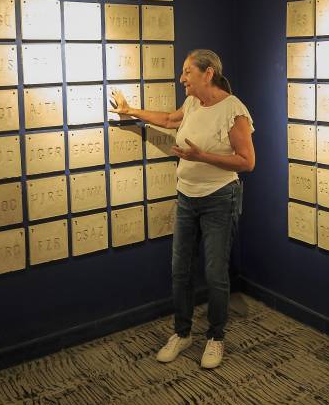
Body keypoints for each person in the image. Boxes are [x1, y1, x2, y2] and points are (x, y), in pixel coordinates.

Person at [109, 49, 255, 369]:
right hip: (186, 198)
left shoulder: (234, 110)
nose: (181, 78)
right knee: (180, 270)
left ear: (208, 74)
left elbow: (247, 162)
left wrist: (203, 157)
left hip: (220, 198)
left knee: (215, 273)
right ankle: (182, 332)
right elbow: (168, 120)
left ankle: (216, 337)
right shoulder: (192, 104)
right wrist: (129, 110)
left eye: (187, 72)